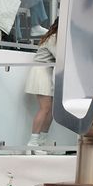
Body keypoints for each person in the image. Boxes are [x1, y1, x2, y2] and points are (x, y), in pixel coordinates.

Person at [25, 20, 58, 154]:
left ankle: (40, 143)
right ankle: (32, 143)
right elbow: (60, 57)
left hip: (45, 72)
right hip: (41, 73)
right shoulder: (54, 38)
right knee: (45, 109)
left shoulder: (53, 37)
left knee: (49, 110)